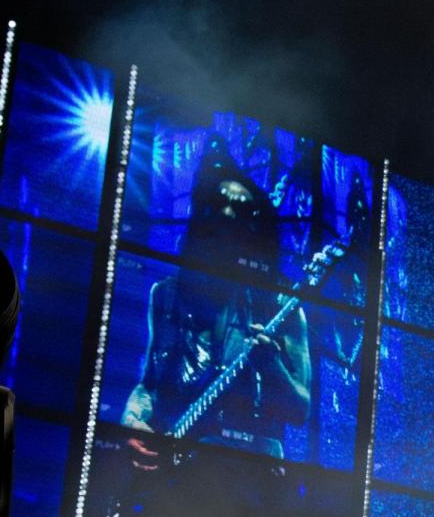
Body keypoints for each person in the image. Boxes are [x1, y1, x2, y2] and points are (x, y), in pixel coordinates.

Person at [121, 134, 312, 460]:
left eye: (239, 213)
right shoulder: (166, 295)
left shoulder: (280, 307)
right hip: (176, 477)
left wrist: (272, 365)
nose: (226, 219)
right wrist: (131, 420)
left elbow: (300, 411)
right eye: (217, 209)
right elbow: (149, 384)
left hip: (251, 480)